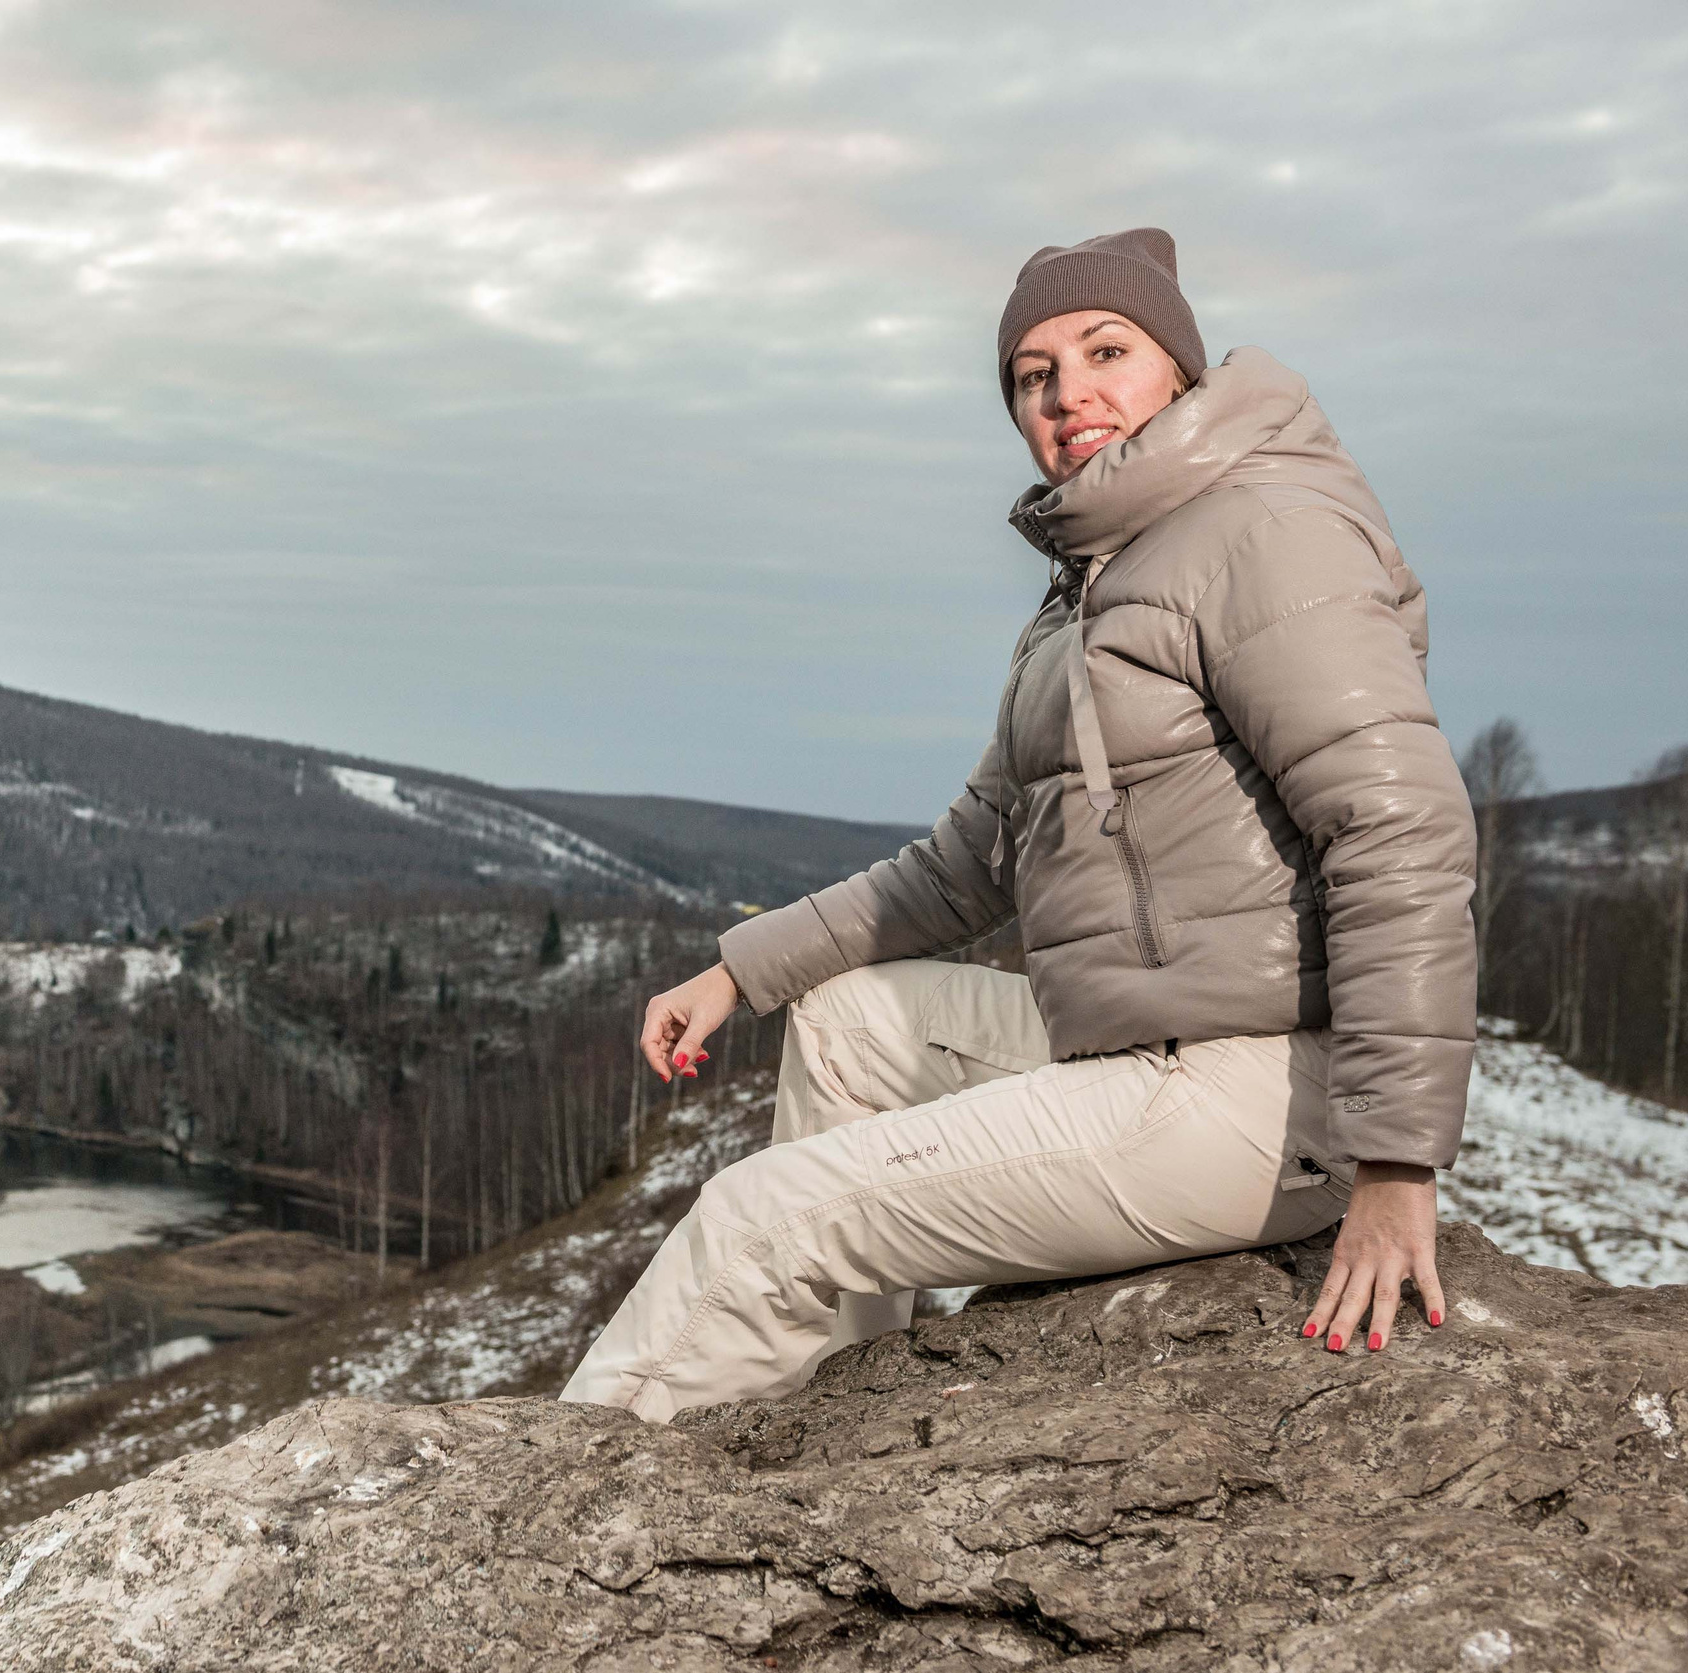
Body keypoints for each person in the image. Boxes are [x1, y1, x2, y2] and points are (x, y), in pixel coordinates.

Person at [561, 228, 1477, 1426]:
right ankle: (809, 1410)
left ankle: (559, 1483)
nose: (1066, 393)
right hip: (1148, 1050)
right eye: (1032, 374)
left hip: (1268, 1088)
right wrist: (739, 971)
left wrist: (1397, 1164)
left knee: (756, 1216)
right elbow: (966, 862)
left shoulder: (1264, 531)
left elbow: (1397, 830)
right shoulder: (1094, 581)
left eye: (1106, 350)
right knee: (844, 1022)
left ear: (1181, 368)